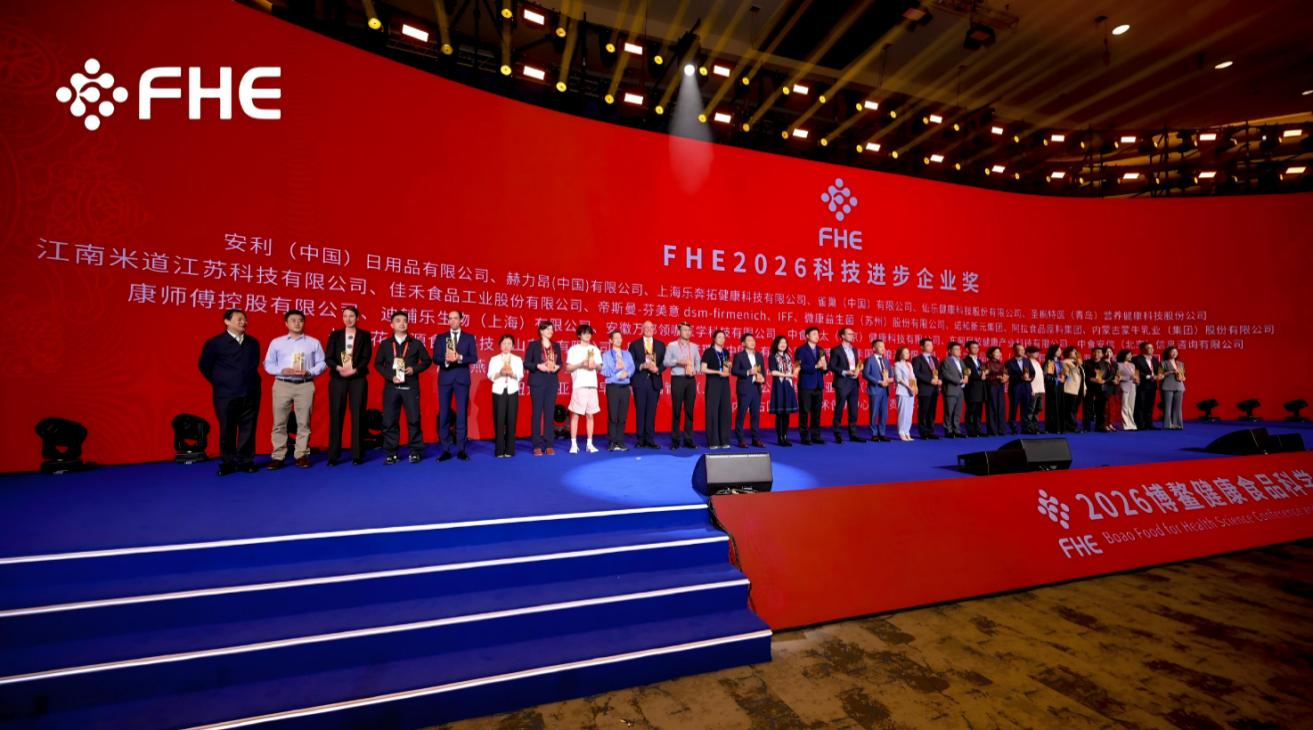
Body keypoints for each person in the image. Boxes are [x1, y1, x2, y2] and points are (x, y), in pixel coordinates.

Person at [198, 308, 262, 475]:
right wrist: (222, 382)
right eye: (239, 319)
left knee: (248, 428)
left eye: (245, 319)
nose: (243, 322)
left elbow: (254, 365)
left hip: (250, 392)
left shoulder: (253, 343)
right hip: (226, 395)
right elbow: (204, 366)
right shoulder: (215, 343)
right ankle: (228, 462)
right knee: (227, 429)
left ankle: (246, 460)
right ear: (226, 322)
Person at [263, 309, 326, 469]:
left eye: (300, 320)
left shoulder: (313, 342)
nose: (297, 323)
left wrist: (310, 371)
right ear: (286, 323)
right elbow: (268, 364)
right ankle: (278, 456)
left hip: (305, 384)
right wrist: (281, 370)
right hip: (282, 383)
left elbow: (322, 363)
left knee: (304, 422)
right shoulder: (277, 342)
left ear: (304, 323)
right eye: (293, 320)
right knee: (279, 422)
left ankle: (301, 455)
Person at [376, 311, 432, 464]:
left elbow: (427, 361)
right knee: (389, 421)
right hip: (391, 387)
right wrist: (390, 376)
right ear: (392, 325)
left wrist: (414, 369)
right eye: (398, 320)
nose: (402, 323)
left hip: (410, 387)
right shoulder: (385, 344)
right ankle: (391, 453)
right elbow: (378, 364)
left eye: (405, 321)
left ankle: (415, 451)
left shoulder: (416, 343)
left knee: (414, 420)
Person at [324, 306, 371, 466]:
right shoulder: (335, 335)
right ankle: (333, 455)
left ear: (357, 318)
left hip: (358, 378)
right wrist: (339, 368)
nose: (348, 319)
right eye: (345, 316)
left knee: (358, 415)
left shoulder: (364, 335)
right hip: (338, 378)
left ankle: (357, 454)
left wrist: (355, 370)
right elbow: (328, 357)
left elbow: (366, 357)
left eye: (352, 316)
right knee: (336, 414)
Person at [436, 310, 478, 462]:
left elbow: (474, 357)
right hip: (445, 379)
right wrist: (446, 360)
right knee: (444, 414)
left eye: (455, 318)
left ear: (461, 320)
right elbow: (435, 358)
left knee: (461, 415)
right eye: (450, 318)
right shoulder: (441, 338)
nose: (452, 321)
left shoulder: (469, 338)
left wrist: (459, 357)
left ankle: (461, 449)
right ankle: (446, 449)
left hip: (461, 380)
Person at [524, 321, 563, 456]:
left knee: (549, 413)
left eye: (552, 329)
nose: (551, 331)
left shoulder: (556, 346)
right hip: (537, 381)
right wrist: (538, 366)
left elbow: (560, 363)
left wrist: (557, 367)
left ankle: (549, 444)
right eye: (548, 329)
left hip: (551, 382)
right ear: (541, 331)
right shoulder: (534, 345)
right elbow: (526, 363)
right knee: (537, 413)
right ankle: (536, 445)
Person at [627, 321, 666, 449]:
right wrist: (642, 365)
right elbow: (631, 361)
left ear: (654, 329)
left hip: (654, 381)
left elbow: (665, 362)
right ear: (642, 329)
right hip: (640, 381)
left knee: (651, 411)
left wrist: (658, 369)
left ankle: (650, 439)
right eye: (646, 327)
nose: (649, 329)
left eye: (651, 327)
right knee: (640, 411)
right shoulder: (635, 344)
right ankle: (640, 440)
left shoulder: (660, 345)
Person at [566, 324, 603, 454]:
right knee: (576, 414)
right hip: (579, 385)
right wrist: (581, 364)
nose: (587, 335)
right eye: (584, 333)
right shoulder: (573, 350)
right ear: (579, 335)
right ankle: (573, 444)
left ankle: (589, 444)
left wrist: (595, 365)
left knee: (590, 415)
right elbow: (568, 368)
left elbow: (600, 368)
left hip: (592, 385)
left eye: (589, 333)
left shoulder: (594, 349)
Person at [663, 322, 700, 450]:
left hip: (690, 380)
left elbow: (698, 363)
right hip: (677, 379)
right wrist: (678, 361)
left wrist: (695, 370)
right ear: (679, 331)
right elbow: (666, 362)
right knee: (677, 411)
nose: (687, 332)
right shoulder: (672, 346)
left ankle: (688, 439)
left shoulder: (694, 347)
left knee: (689, 411)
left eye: (689, 330)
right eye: (685, 330)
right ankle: (675, 440)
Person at [488, 334, 524, 458]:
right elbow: (490, 375)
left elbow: (520, 375)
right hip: (499, 391)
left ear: (513, 346)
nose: (506, 346)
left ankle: (509, 450)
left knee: (511, 420)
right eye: (504, 343)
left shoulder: (517, 359)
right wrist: (500, 373)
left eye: (509, 343)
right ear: (500, 346)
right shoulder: (494, 359)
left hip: (512, 391)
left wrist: (512, 373)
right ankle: (499, 450)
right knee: (499, 420)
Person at [828, 327, 866, 443]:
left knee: (853, 409)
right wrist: (845, 372)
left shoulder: (854, 350)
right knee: (839, 408)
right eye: (849, 334)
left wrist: (859, 369)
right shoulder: (836, 350)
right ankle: (837, 434)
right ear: (842, 336)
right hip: (842, 382)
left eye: (853, 334)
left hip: (854, 382)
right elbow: (832, 366)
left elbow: (855, 364)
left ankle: (853, 434)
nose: (852, 336)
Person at [601, 330, 635, 451]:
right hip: (613, 387)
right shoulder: (606, 355)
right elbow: (604, 371)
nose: (618, 340)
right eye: (615, 338)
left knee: (622, 416)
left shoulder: (627, 354)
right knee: (613, 416)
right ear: (610, 340)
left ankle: (620, 442)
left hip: (625, 387)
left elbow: (632, 367)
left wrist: (627, 373)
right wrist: (616, 369)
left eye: (620, 337)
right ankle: (612, 442)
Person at [732, 332, 767, 448]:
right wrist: (748, 372)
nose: (752, 342)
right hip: (744, 388)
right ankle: (741, 439)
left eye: (753, 340)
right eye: (749, 340)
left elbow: (763, 371)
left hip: (756, 388)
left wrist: (763, 379)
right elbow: (734, 371)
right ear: (743, 343)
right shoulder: (739, 356)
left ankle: (755, 439)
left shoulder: (759, 355)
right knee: (741, 414)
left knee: (755, 415)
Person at [795, 327, 828, 445]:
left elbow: (825, 368)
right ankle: (804, 437)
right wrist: (815, 366)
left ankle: (815, 436)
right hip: (806, 385)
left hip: (818, 385)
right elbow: (799, 367)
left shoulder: (821, 350)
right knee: (804, 411)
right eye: (814, 334)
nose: (817, 336)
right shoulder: (801, 350)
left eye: (818, 334)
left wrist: (825, 367)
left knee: (817, 412)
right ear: (807, 336)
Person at [701, 330, 733, 449]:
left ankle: (724, 440)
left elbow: (726, 368)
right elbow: (703, 369)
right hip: (713, 382)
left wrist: (729, 368)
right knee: (712, 411)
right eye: (719, 337)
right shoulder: (708, 352)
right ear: (714, 338)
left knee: (725, 410)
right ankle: (713, 441)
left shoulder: (726, 352)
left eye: (723, 337)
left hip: (725, 383)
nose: (722, 339)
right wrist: (718, 372)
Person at [768, 335, 799, 446]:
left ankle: (785, 436)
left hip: (788, 385)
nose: (783, 345)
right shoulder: (773, 356)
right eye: (781, 342)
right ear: (776, 344)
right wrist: (787, 375)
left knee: (787, 413)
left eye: (785, 343)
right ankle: (780, 438)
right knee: (780, 413)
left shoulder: (788, 356)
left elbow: (793, 369)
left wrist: (796, 370)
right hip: (779, 385)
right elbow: (773, 372)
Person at [862, 339, 892, 442]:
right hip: (875, 389)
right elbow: (865, 374)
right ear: (874, 348)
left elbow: (891, 375)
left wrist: (889, 380)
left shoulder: (886, 361)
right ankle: (874, 433)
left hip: (885, 390)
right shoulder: (869, 360)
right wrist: (879, 382)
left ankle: (882, 433)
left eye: (884, 346)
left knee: (884, 413)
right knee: (874, 413)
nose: (883, 348)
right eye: (880, 346)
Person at [912, 337, 941, 439]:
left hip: (934, 390)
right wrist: (929, 380)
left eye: (931, 345)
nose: (931, 347)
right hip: (924, 389)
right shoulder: (917, 359)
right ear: (922, 347)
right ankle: (923, 432)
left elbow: (939, 372)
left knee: (932, 412)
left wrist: (940, 380)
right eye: (928, 345)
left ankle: (930, 431)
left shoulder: (934, 359)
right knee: (923, 411)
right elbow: (916, 373)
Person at [1132, 342, 1162, 430]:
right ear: (1142, 349)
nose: (1151, 349)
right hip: (1142, 385)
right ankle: (1140, 424)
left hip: (1152, 385)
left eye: (1152, 347)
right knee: (1140, 405)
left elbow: (1160, 369)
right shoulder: (1137, 359)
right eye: (1148, 347)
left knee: (1150, 405)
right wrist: (1149, 376)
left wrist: (1160, 374)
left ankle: (1149, 423)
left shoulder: (1155, 359)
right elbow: (1135, 371)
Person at [939, 341, 966, 438]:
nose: (958, 351)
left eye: (959, 349)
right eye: (956, 349)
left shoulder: (961, 361)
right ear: (950, 351)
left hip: (960, 390)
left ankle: (956, 430)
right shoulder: (946, 361)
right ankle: (948, 430)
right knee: (949, 411)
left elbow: (966, 371)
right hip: (950, 389)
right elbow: (946, 375)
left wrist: (967, 376)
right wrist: (959, 381)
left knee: (958, 412)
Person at [1082, 346, 1112, 433]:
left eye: (1099, 352)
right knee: (1087, 408)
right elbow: (1082, 375)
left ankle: (1100, 426)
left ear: (1102, 354)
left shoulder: (1106, 364)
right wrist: (1090, 379)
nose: (1096, 354)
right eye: (1094, 352)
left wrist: (1104, 380)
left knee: (1101, 408)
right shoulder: (1086, 363)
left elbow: (1110, 375)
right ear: (1091, 353)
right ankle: (1086, 427)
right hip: (1089, 388)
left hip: (1102, 388)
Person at [1004, 343, 1030, 435]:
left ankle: (1025, 427)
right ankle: (1013, 427)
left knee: (1025, 409)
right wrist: (1020, 377)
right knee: (1013, 408)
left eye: (1023, 350)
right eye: (1020, 349)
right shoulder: (1009, 363)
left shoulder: (1027, 361)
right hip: (1015, 388)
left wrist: (1030, 378)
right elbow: (1007, 376)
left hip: (1026, 388)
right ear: (1015, 351)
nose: (1022, 351)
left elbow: (1032, 372)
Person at [962, 341, 986, 437]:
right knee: (971, 410)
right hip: (971, 389)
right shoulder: (965, 361)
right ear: (967, 349)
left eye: (977, 347)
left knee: (979, 411)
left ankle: (978, 429)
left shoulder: (979, 361)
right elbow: (967, 375)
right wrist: (980, 376)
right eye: (973, 347)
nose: (976, 349)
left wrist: (984, 374)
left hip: (980, 389)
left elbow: (982, 372)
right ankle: (971, 430)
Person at [983, 346, 1007, 436]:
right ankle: (992, 430)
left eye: (999, 352)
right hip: (991, 387)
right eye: (996, 352)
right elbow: (985, 377)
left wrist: (1005, 378)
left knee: (1001, 408)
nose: (998, 354)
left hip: (1000, 387)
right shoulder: (987, 364)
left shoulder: (1001, 364)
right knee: (992, 408)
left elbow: (1005, 374)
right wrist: (997, 377)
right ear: (991, 354)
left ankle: (1001, 430)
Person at [893, 347, 917, 441]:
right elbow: (899, 379)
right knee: (903, 413)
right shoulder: (897, 364)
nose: (908, 354)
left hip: (911, 392)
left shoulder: (909, 364)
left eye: (908, 352)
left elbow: (913, 377)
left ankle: (907, 432)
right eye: (905, 352)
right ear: (900, 354)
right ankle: (901, 432)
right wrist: (908, 387)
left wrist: (915, 387)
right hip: (902, 391)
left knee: (909, 413)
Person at [1161, 345, 1186, 430]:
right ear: (1168, 353)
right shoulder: (1163, 363)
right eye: (1172, 352)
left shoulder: (1180, 363)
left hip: (1179, 386)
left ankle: (1177, 424)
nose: (1174, 353)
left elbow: (1183, 374)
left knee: (1178, 407)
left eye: (1176, 352)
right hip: (1167, 386)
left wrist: (1183, 377)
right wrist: (1171, 372)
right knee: (1168, 407)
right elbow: (1160, 375)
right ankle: (1168, 425)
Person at [1061, 346, 1085, 433]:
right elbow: (1067, 374)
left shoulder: (1077, 363)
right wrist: (1077, 364)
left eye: (1076, 351)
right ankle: (1070, 427)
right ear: (1068, 353)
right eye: (1073, 351)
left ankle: (1071, 426)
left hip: (1078, 389)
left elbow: (1082, 376)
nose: (1075, 353)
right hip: (1069, 388)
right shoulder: (1065, 362)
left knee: (1074, 409)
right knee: (1069, 409)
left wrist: (1084, 388)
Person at [1115, 349, 1139, 431]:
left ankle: (1132, 424)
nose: (1130, 356)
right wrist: (1129, 377)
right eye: (1128, 354)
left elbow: (1135, 376)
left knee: (1131, 406)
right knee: (1124, 406)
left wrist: (1137, 380)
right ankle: (1126, 425)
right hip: (1124, 386)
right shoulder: (1118, 364)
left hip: (1133, 386)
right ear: (1123, 355)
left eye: (1131, 354)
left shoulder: (1132, 365)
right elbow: (1118, 377)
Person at [1043, 344, 1063, 434]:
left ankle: (1060, 427)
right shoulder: (1050, 362)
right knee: (1053, 407)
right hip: (1052, 387)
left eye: (1060, 350)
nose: (1060, 352)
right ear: (1053, 351)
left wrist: (1065, 378)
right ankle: (1052, 427)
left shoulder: (1060, 362)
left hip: (1060, 387)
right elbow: (1048, 376)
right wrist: (1057, 379)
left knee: (1060, 406)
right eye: (1058, 350)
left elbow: (1063, 374)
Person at [1025, 346, 1046, 434]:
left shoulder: (1037, 362)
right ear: (1028, 353)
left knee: (1038, 409)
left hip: (1040, 390)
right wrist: (1031, 389)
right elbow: (1027, 378)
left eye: (1038, 352)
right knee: (1031, 410)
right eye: (1035, 352)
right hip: (1033, 390)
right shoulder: (1027, 362)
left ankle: (1035, 427)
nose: (1037, 353)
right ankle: (1029, 428)